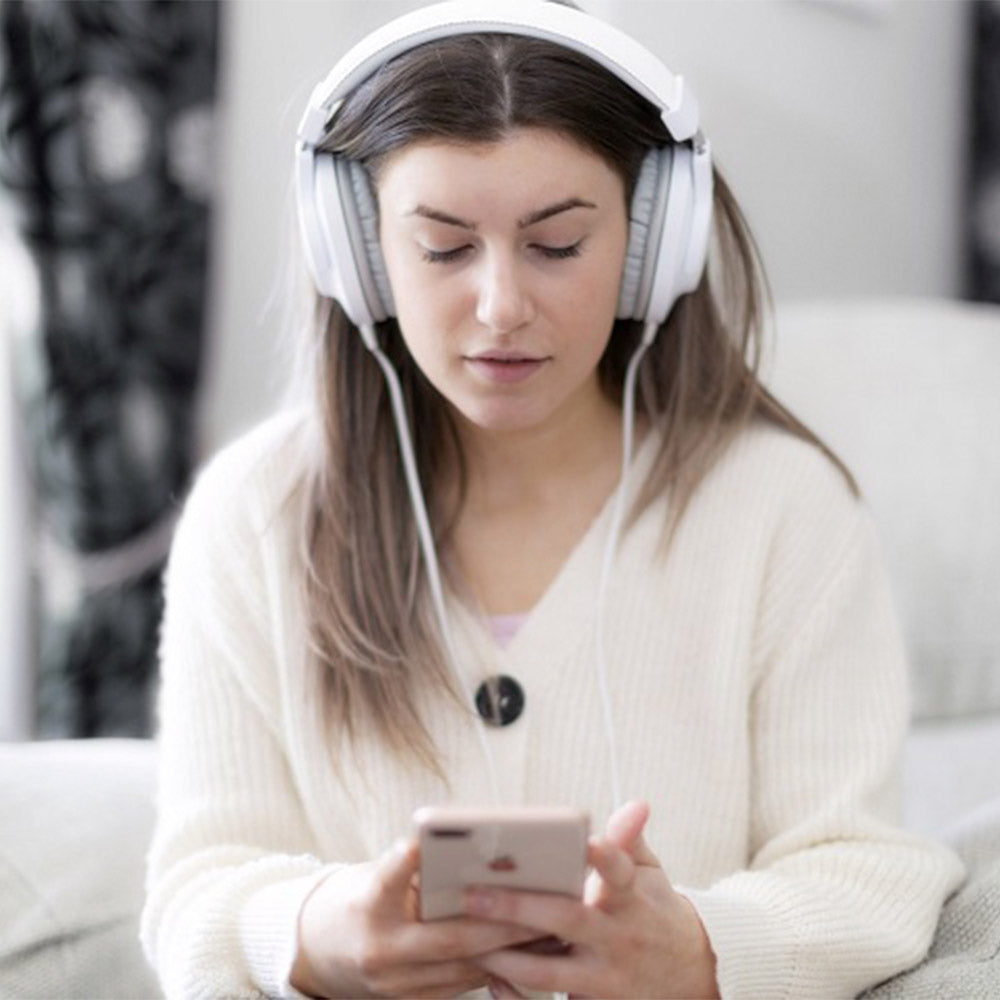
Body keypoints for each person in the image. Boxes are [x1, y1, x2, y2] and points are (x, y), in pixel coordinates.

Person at [140, 2, 964, 997]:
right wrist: (317, 932)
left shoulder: (783, 513)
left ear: (650, 245)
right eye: (443, 248)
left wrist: (700, 948)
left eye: (557, 244)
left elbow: (867, 871)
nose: (500, 306)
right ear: (357, 255)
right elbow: (197, 888)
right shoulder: (254, 518)